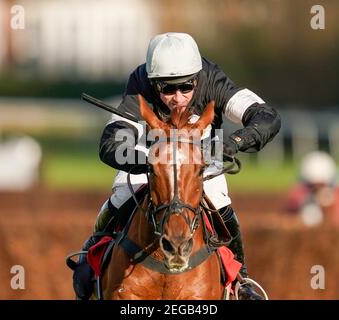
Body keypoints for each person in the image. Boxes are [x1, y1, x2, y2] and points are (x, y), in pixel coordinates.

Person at [73, 32, 281, 300]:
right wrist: (152, 161)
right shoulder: (139, 83)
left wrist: (233, 142)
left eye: (186, 87)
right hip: (152, 160)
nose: (178, 97)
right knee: (121, 195)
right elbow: (111, 143)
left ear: (197, 78)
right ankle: (92, 257)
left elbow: (267, 117)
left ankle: (242, 279)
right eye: (168, 89)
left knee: (218, 200)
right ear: (153, 83)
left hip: (199, 162)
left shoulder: (212, 80)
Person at [286, 151, 339, 227]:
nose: (317, 188)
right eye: (313, 186)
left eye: (321, 185)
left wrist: (329, 210)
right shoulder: (300, 191)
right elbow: (292, 206)